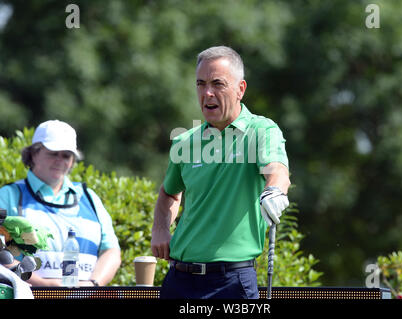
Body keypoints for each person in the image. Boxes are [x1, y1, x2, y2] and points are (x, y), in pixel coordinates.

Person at [151, 46, 291, 299]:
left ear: (240, 89)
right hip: (178, 280)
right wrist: (160, 228)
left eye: (218, 84)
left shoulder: (261, 130)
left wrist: (274, 191)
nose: (207, 93)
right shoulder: (184, 141)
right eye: (200, 84)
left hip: (231, 283)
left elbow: (278, 171)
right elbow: (169, 194)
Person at [0, 120, 121, 286]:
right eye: (53, 153)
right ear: (34, 154)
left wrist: (94, 284)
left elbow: (111, 251)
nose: (60, 160)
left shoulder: (90, 197)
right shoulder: (8, 195)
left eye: (66, 155)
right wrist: (43, 284)